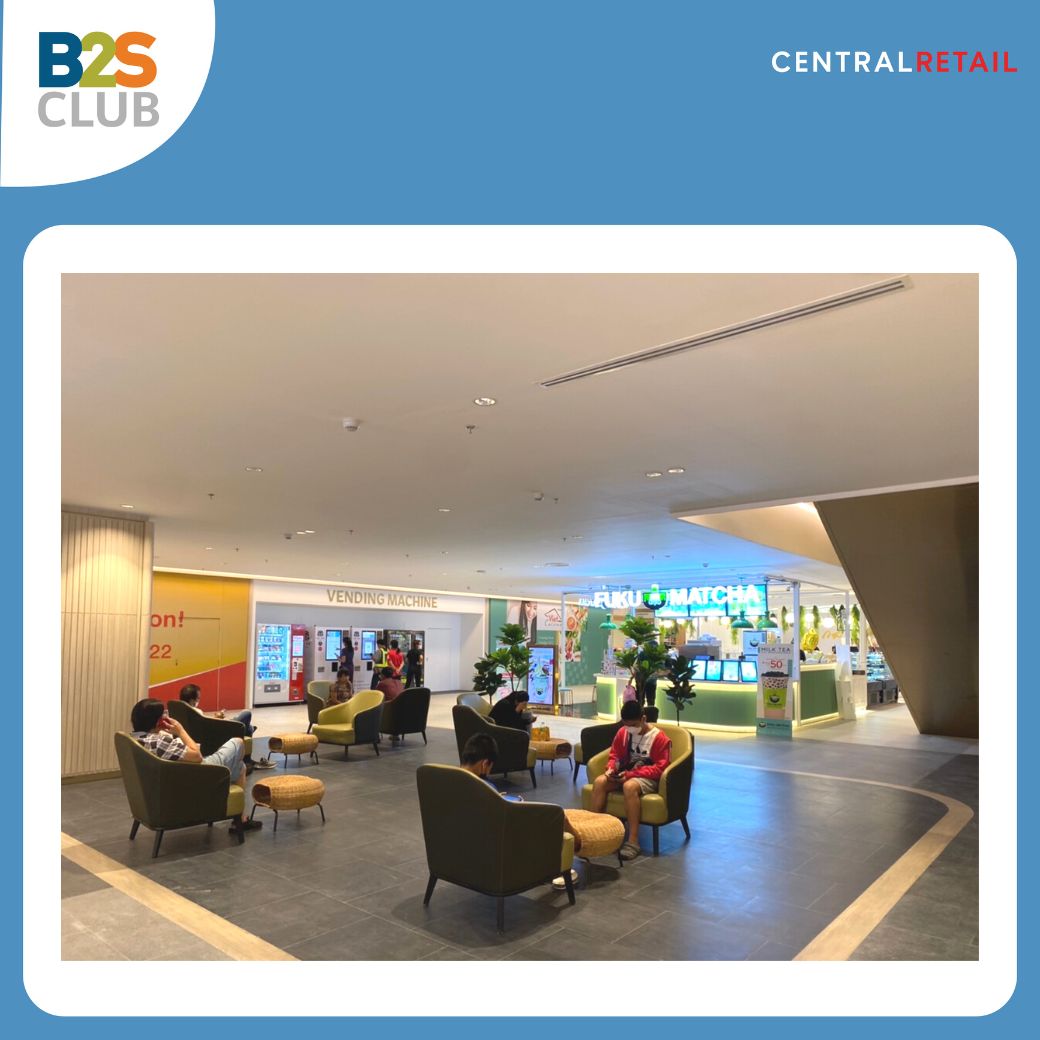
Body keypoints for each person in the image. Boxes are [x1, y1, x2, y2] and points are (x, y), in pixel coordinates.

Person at [130, 698, 261, 833]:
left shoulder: (135, 740)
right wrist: (180, 730)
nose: (167, 716)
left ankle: (240, 819)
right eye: (164, 714)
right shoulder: (159, 742)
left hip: (171, 780)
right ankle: (228, 804)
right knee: (238, 742)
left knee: (240, 767)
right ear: (159, 721)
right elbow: (197, 757)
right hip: (196, 775)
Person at [590, 700, 671, 860]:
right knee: (600, 782)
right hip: (625, 774)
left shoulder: (659, 738)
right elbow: (614, 755)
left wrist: (630, 775)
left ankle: (633, 841)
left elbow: (660, 768)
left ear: (643, 719)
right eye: (626, 725)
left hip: (647, 777)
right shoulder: (623, 733)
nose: (629, 728)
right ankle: (593, 832)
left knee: (629, 786)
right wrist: (611, 769)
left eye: (633, 725)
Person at [178, 684, 274, 771]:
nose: (199, 700)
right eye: (198, 698)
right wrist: (219, 720)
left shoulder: (179, 712)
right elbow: (209, 729)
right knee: (246, 714)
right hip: (217, 737)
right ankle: (248, 758)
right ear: (192, 700)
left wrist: (215, 719)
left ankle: (249, 759)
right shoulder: (196, 712)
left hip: (207, 736)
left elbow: (204, 725)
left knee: (246, 726)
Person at [459, 734, 522, 803]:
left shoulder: (449, 778)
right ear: (484, 764)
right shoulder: (487, 788)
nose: (488, 773)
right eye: (490, 767)